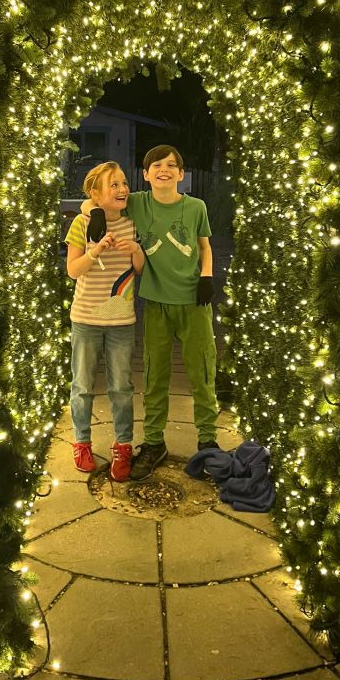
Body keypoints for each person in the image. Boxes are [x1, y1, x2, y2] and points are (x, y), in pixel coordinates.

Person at [82, 144, 219, 481]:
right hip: (156, 303)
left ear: (181, 174)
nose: (164, 170)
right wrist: (94, 213)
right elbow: (96, 198)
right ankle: (155, 442)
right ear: (146, 175)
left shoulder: (195, 206)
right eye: (156, 165)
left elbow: (203, 244)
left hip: (193, 304)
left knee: (202, 372)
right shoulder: (139, 203)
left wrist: (206, 277)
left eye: (172, 165)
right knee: (155, 376)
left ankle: (208, 442)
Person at [65, 161, 145, 481]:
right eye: (114, 184)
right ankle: (81, 441)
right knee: (82, 384)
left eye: (124, 183)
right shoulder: (81, 224)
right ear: (95, 194)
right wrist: (96, 249)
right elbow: (74, 269)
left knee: (122, 387)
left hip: (122, 319)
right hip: (85, 316)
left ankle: (123, 445)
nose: (123, 189)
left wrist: (136, 249)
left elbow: (138, 268)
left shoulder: (131, 224)